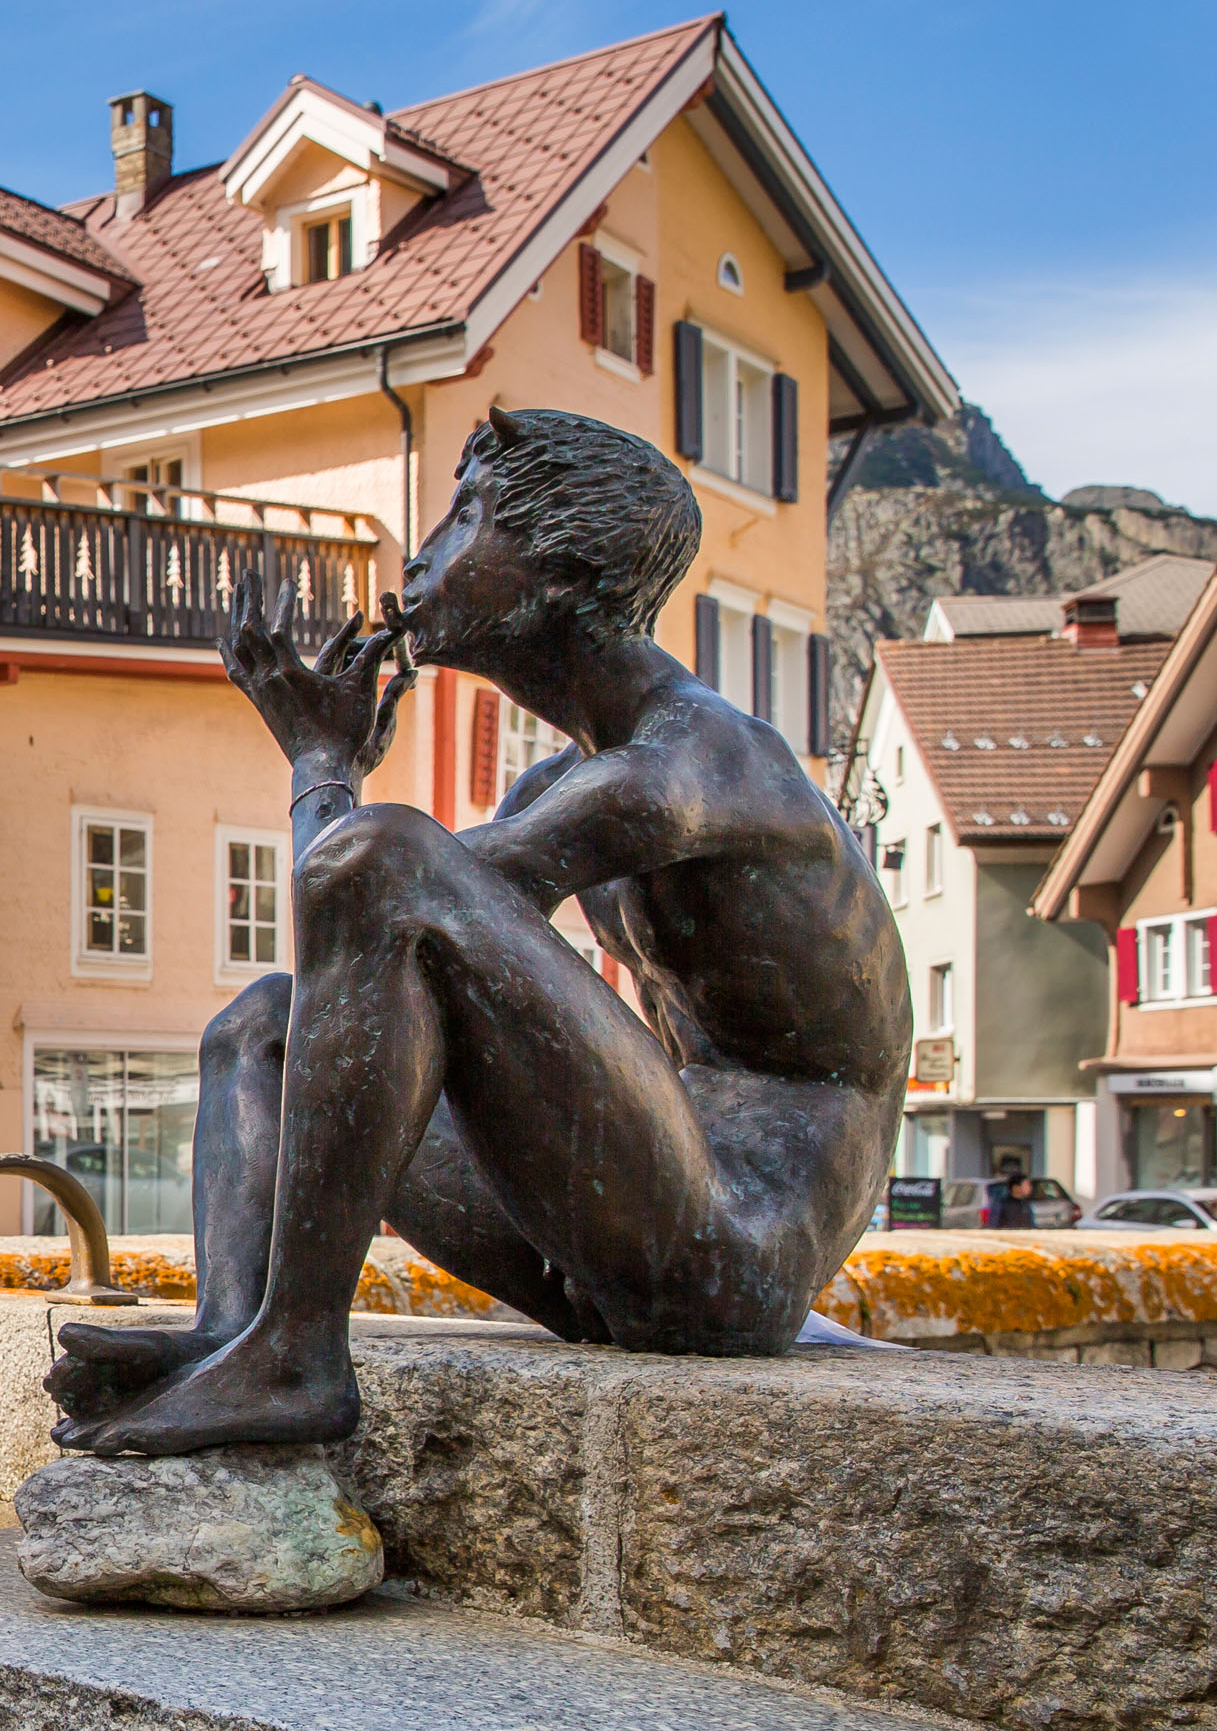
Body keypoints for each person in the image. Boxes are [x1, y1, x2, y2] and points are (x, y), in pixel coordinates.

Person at [49, 408, 910, 1455]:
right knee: (266, 1026)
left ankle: (297, 1357)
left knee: (394, 861)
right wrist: (325, 768)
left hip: (734, 1257)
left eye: (468, 517)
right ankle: (238, 1333)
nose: (424, 550)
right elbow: (349, 958)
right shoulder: (567, 781)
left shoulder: (697, 767)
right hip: (608, 1242)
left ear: (560, 578)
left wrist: (325, 767)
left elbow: (370, 877)